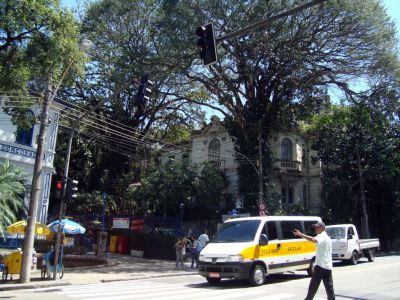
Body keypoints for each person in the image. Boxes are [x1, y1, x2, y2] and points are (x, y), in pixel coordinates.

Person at [293, 221, 335, 300]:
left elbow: (313, 239)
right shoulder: (328, 238)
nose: (315, 229)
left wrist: (301, 234)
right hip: (328, 267)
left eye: (317, 227)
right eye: (315, 227)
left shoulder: (322, 236)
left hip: (320, 266)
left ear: (323, 228)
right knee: (330, 290)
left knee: (313, 287)